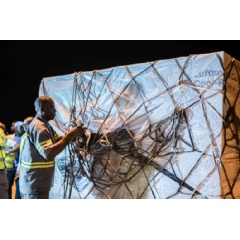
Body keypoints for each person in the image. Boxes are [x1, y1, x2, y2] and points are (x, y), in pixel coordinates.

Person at [19, 96, 86, 199]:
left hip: (39, 182)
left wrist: (73, 135)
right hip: (35, 184)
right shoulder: (39, 127)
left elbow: (59, 140)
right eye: (52, 108)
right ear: (42, 110)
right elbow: (49, 154)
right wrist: (69, 136)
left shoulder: (46, 126)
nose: (55, 111)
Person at [15, 116, 34, 198]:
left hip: (33, 174)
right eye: (23, 125)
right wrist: (18, 169)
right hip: (23, 172)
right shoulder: (24, 137)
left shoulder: (37, 136)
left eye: (27, 124)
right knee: (19, 193)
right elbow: (22, 155)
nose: (24, 127)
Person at [0, 122, 19, 199]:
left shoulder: (5, 138)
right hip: (4, 168)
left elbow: (17, 146)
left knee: (5, 190)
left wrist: (8, 152)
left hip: (6, 168)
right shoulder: (6, 138)